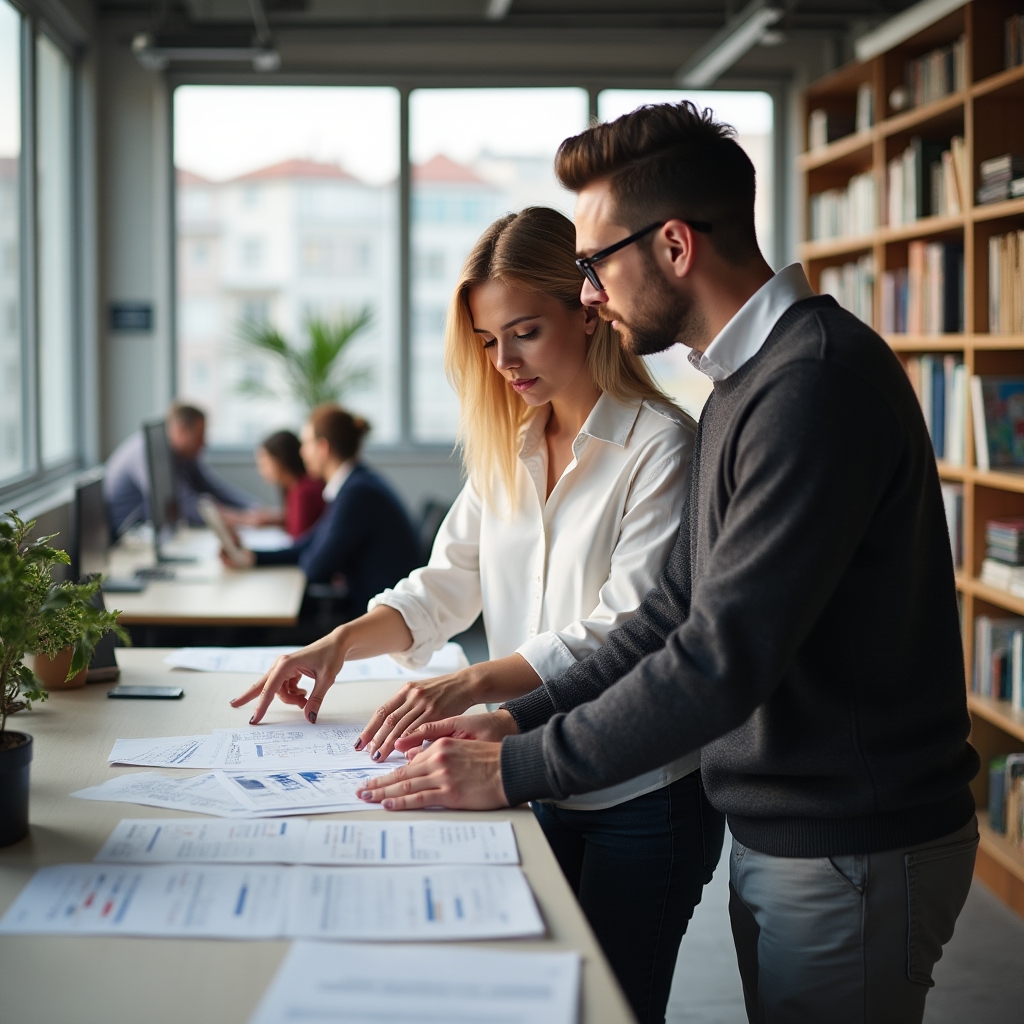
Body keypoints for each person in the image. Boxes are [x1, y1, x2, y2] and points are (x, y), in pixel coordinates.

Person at [355, 104, 981, 1024]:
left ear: (676, 246)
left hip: (853, 837)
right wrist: (508, 722)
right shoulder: (744, 382)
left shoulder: (811, 382)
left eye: (596, 262)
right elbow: (666, 618)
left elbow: (719, 659)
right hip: (792, 830)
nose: (592, 294)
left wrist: (519, 765)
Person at [231, 206, 725, 1024]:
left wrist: (466, 685)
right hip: (534, 771)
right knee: (539, 1000)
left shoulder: (661, 445)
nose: (506, 362)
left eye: (525, 332)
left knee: (613, 1008)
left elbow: (623, 629)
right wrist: (334, 646)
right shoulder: (510, 444)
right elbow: (440, 587)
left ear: (588, 306)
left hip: (643, 793)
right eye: (490, 342)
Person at [228, 405, 420, 620]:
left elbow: (316, 568)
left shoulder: (357, 493)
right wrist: (250, 556)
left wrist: (310, 553)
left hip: (375, 616)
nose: (301, 452)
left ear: (323, 448)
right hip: (371, 609)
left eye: (306, 444)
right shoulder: (355, 484)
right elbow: (309, 544)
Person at [103, 401, 258, 536]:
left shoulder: (183, 456)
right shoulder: (148, 452)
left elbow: (212, 487)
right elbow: (182, 504)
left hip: (153, 534)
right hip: (124, 542)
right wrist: (242, 519)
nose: (204, 443)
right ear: (181, 429)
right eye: (200, 435)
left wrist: (253, 508)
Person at [223, 430, 326, 538]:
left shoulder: (303, 492)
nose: (261, 469)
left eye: (265, 463)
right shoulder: (297, 488)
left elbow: (298, 539)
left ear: (280, 461)